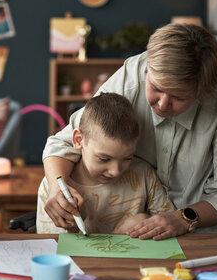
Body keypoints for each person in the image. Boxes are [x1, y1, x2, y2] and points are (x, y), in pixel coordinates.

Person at [42, 23, 217, 240]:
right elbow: (66, 142)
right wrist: (56, 187)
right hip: (152, 228)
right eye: (156, 88)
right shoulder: (132, 76)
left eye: (179, 97)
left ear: (203, 89)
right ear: (148, 69)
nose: (162, 104)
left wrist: (182, 218)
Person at [36, 93, 174, 234]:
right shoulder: (54, 187)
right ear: (78, 140)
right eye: (104, 159)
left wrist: (146, 222)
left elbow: (170, 226)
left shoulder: (144, 175)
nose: (115, 171)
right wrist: (72, 228)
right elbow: (51, 249)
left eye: (127, 158)